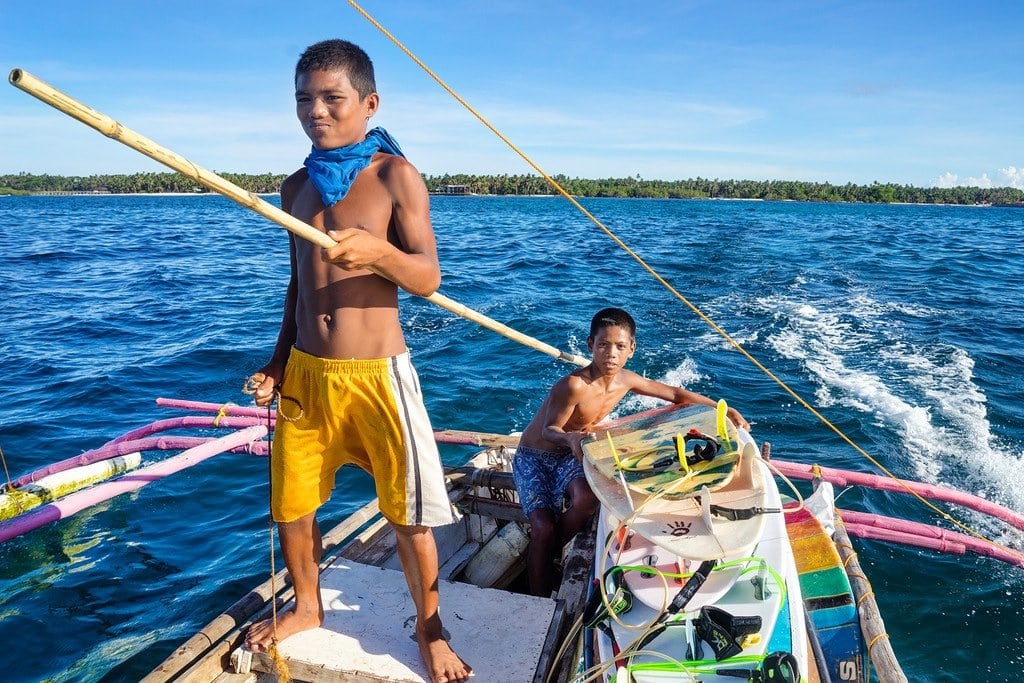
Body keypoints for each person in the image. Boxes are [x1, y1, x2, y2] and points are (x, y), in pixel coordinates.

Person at [244, 39, 471, 683]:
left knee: (408, 512)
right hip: (307, 377)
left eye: (332, 98)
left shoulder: (395, 176)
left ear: (368, 104)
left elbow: (426, 276)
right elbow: (299, 285)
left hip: (378, 377)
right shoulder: (296, 188)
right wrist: (278, 361)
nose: (316, 111)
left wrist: (380, 254)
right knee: (292, 505)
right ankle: (308, 606)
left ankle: (430, 632)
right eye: (304, 100)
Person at [512, 307, 749, 597]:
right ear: (590, 346)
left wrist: (722, 409)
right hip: (535, 456)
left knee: (587, 499)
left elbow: (676, 395)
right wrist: (572, 439)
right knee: (543, 527)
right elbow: (550, 429)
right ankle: (538, 587)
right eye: (603, 345)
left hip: (570, 452)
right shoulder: (573, 385)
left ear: (631, 349)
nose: (611, 353)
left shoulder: (627, 380)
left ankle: (544, 554)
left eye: (619, 346)